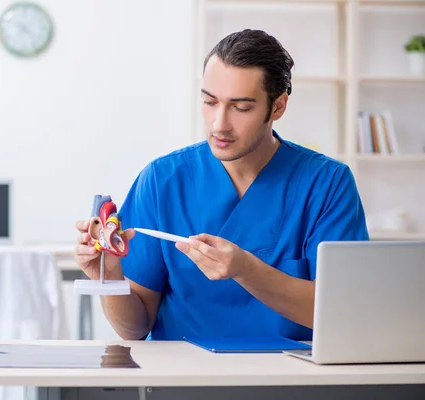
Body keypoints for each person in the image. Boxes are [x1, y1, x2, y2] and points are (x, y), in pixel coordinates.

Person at [74, 29, 369, 342]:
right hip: (183, 382)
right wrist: (109, 278)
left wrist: (245, 269)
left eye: (240, 108)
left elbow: (344, 314)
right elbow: (134, 329)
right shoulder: (162, 181)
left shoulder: (327, 184)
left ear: (278, 107)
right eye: (209, 102)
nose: (219, 124)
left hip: (291, 380)